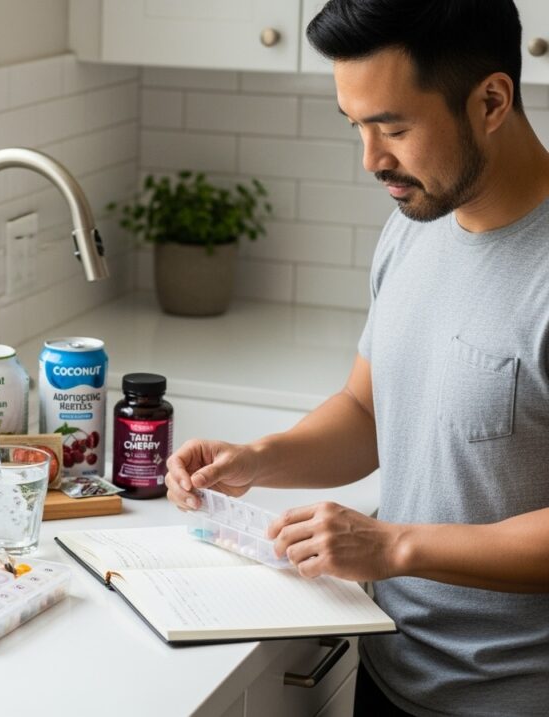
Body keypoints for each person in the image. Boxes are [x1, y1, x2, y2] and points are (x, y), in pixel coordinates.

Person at [164, 1, 549, 715]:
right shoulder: (417, 225)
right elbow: (370, 410)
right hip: (393, 671)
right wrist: (260, 457)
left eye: (394, 127)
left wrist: (394, 546)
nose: (372, 159)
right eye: (358, 126)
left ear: (492, 100)